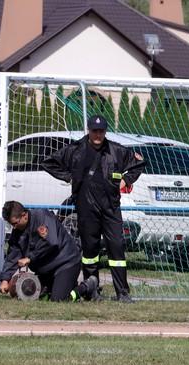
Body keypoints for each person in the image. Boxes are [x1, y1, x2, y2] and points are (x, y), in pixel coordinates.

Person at [41, 115, 145, 303]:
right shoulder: (75, 150)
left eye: (101, 131)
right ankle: (91, 290)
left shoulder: (116, 150)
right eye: (94, 131)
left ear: (105, 131)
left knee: (117, 248)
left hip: (111, 208)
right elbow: (48, 162)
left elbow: (139, 164)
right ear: (88, 130)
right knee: (90, 252)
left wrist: (125, 180)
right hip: (86, 208)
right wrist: (69, 177)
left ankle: (122, 293)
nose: (98, 135)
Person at [0, 201, 99, 302]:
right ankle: (65, 286)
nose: (14, 227)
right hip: (47, 270)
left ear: (24, 215)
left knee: (58, 300)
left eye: (15, 223)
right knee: (28, 292)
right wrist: (5, 280)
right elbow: (12, 256)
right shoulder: (17, 231)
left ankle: (87, 286)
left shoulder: (42, 217)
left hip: (66, 263)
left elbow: (51, 243)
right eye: (11, 224)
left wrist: (29, 258)